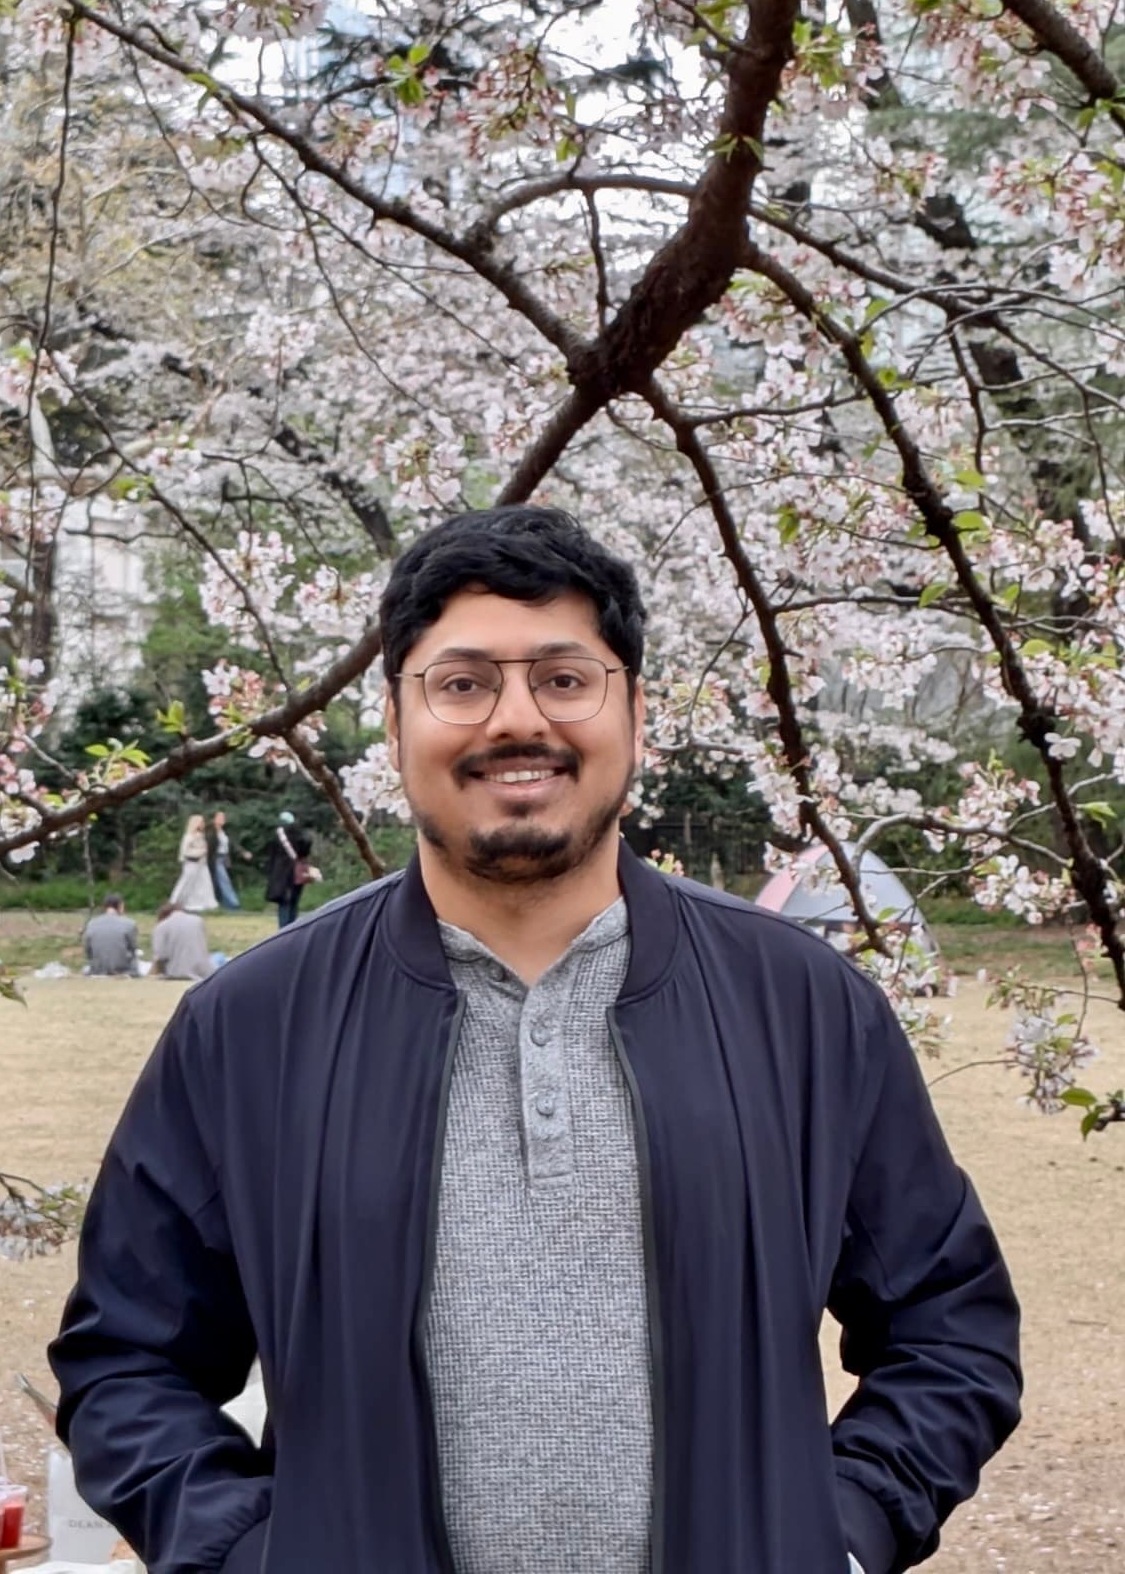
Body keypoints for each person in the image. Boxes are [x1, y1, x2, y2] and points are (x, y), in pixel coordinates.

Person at [50, 506, 1021, 1574]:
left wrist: (840, 1529)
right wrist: (246, 1552)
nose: (517, 721)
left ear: (635, 714)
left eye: (564, 678)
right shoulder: (252, 1027)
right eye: (462, 683)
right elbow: (126, 1359)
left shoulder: (802, 1008)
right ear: (395, 721)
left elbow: (949, 1325)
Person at [263, 811, 311, 928]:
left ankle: (284, 930)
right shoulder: (300, 832)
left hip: (281, 873)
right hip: (297, 871)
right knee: (294, 902)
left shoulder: (278, 834)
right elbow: (307, 846)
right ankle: (293, 928)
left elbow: (272, 855)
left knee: (284, 903)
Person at [151, 901, 215, 982]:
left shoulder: (161, 927)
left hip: (178, 975)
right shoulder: (198, 921)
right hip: (205, 972)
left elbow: (159, 956)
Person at [169, 814, 217, 913]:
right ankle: (175, 902)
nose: (203, 824)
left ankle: (199, 904)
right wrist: (199, 852)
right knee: (186, 883)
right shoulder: (188, 836)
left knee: (203, 884)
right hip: (191, 863)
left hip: (202, 864)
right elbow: (184, 852)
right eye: (201, 822)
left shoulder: (201, 836)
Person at [82, 894, 138, 977]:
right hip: (123, 969)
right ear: (120, 906)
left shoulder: (91, 923)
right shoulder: (130, 924)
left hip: (97, 969)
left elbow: (88, 949)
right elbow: (133, 949)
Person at [207, 810, 251, 912]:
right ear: (214, 819)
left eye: (223, 817)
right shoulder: (210, 832)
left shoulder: (224, 833)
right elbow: (208, 847)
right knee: (224, 881)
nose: (223, 819)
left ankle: (225, 905)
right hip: (216, 859)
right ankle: (234, 905)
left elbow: (233, 845)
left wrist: (243, 852)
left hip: (224, 859)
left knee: (220, 882)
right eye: (220, 817)